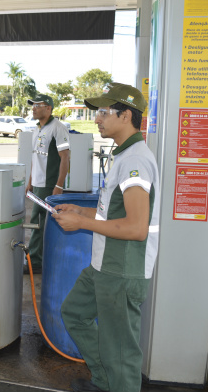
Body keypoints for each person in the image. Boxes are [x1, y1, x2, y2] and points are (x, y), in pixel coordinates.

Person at [53, 83, 160, 392]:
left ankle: (117, 384)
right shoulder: (124, 155)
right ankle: (103, 382)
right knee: (74, 313)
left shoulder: (135, 161)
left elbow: (137, 227)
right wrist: (83, 213)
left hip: (123, 269)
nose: (96, 119)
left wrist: (82, 225)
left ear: (125, 115)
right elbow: (115, 215)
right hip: (103, 265)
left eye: (103, 112)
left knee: (121, 352)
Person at [25, 94, 70, 274]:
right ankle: (39, 257)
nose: (34, 108)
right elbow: (35, 158)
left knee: (39, 221)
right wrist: (29, 182)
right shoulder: (37, 129)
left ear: (49, 108)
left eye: (38, 105)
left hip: (48, 184)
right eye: (33, 105)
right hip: (37, 183)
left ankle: (36, 261)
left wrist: (58, 185)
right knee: (40, 221)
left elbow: (65, 157)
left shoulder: (58, 128)